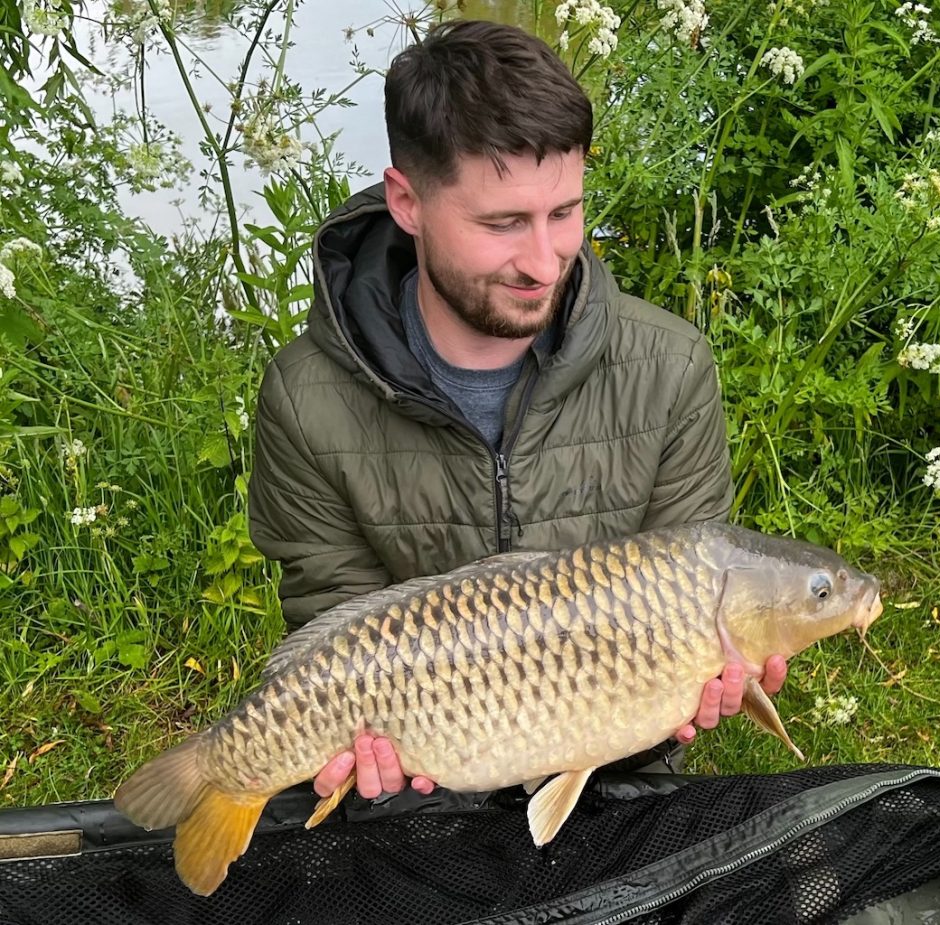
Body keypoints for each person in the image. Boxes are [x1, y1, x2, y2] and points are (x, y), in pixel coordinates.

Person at [248, 18, 787, 805]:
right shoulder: (305, 399)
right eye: (502, 224)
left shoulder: (669, 369)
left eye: (564, 213)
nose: (544, 262)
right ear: (407, 202)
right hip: (423, 777)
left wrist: (712, 670)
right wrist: (365, 747)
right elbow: (338, 621)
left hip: (617, 770)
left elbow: (696, 584)